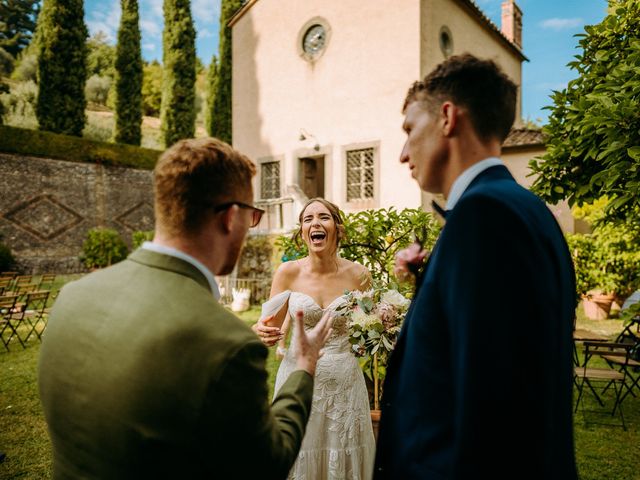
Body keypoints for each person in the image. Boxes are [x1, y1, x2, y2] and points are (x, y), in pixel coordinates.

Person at [38, 137, 333, 479]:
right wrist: (304, 368)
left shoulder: (72, 297)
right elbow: (265, 465)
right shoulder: (227, 343)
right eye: (253, 215)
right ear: (230, 217)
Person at [374, 54, 578, 479]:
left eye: (410, 130)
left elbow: (495, 410)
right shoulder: (524, 208)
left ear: (447, 117)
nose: (402, 154)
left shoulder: (485, 217)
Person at [253, 198, 376, 479]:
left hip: (345, 385)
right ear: (302, 231)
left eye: (323, 217)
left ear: (337, 227)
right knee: (299, 451)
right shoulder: (288, 272)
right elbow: (265, 328)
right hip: (299, 380)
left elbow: (370, 328)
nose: (315, 224)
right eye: (308, 219)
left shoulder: (359, 274)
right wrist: (260, 332)